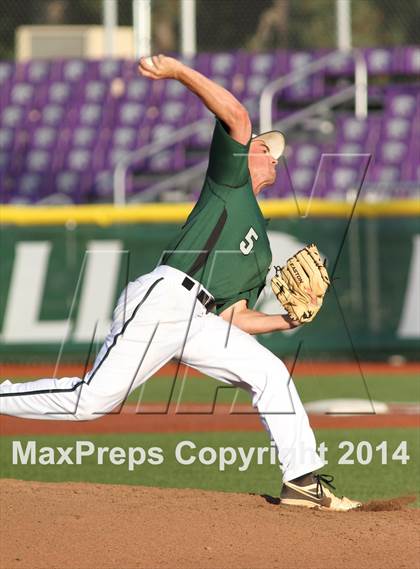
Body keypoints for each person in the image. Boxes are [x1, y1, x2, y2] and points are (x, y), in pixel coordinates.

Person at [0, 55, 360, 511]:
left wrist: (285, 320)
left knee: (269, 372)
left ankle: (302, 482)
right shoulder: (230, 182)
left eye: (273, 151)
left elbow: (234, 317)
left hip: (198, 319)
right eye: (264, 147)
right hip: (166, 298)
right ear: (245, 154)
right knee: (89, 402)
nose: (271, 153)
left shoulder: (262, 248)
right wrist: (178, 71)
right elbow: (237, 116)